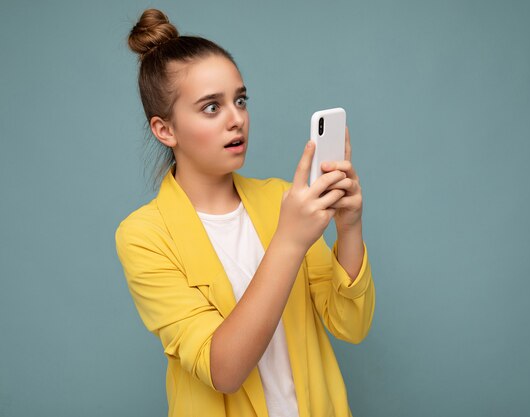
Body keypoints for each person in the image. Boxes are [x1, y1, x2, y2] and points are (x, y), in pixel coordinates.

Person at [115, 8, 375, 417]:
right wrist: (290, 241)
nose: (237, 119)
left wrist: (350, 227)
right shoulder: (144, 236)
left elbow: (349, 325)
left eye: (240, 100)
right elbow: (224, 370)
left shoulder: (282, 201)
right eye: (211, 107)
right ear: (165, 130)